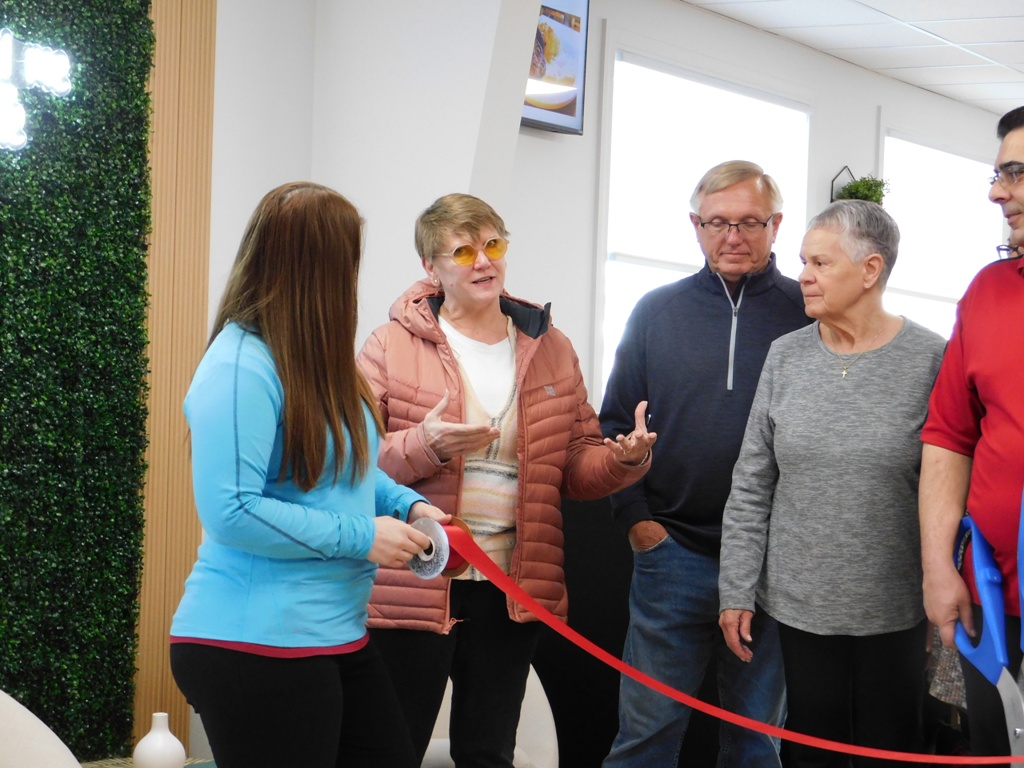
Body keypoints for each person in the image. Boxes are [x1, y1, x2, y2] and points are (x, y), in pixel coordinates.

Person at [357, 192, 656, 768]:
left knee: (489, 751)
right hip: (415, 580)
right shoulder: (388, 344)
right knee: (391, 750)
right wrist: (425, 445)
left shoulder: (551, 347)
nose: (483, 262)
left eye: (492, 245)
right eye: (462, 251)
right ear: (431, 267)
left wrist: (624, 462)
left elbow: (575, 465)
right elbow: (351, 462)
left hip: (511, 585)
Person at [168, 182, 450, 768]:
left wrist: (408, 506)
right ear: (316, 270)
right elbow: (232, 510)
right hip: (252, 642)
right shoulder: (239, 366)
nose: (353, 279)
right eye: (348, 261)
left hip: (335, 635)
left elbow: (347, 468)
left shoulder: (320, 363)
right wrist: (363, 536)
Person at [718, 200, 946, 766]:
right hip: (799, 609)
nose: (804, 275)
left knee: (889, 751)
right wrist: (736, 590)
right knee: (810, 750)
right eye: (804, 261)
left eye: (820, 263)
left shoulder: (931, 359)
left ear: (870, 270)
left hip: (896, 610)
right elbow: (751, 483)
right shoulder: (785, 357)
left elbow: (948, 489)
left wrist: (942, 591)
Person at [600, 160, 810, 767]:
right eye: (717, 222)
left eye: (749, 222)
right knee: (645, 737)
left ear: (776, 225)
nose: (732, 236)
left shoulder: (808, 313)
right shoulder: (655, 311)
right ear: (695, 225)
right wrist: (638, 522)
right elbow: (613, 425)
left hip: (772, 565)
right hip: (673, 555)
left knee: (756, 742)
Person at [921, 104, 1024, 761]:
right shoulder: (987, 291)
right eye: (997, 175)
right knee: (994, 751)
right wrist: (938, 567)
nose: (997, 193)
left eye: (1016, 173)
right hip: (994, 600)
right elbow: (948, 436)